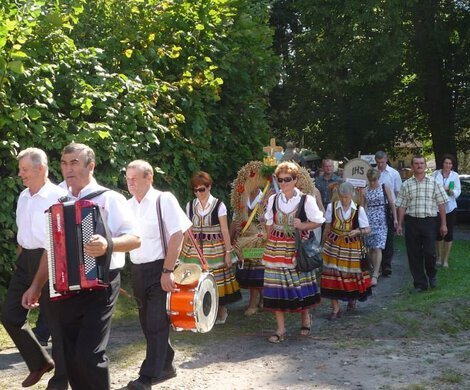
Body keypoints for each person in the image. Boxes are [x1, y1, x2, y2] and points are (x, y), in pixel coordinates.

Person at [22, 143, 141, 390]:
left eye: (74, 163)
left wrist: (108, 244)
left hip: (101, 283)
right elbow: (50, 248)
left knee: (89, 354)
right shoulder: (58, 199)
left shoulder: (110, 198)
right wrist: (36, 286)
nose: (68, 169)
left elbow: (135, 239)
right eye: (64, 163)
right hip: (64, 286)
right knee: (69, 355)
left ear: (91, 166)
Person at [1, 147, 68, 389]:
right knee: (10, 314)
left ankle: (62, 380)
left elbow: (55, 243)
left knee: (56, 322)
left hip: (51, 258)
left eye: (25, 169)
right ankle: (40, 362)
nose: (21, 174)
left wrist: (37, 285)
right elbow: (24, 235)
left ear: (41, 169)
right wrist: (23, 265)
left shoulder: (58, 197)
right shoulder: (23, 196)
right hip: (26, 259)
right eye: (20, 169)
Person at [125, 160, 192, 390]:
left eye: (135, 178)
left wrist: (167, 270)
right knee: (147, 322)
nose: (130, 182)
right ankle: (166, 364)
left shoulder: (164, 199)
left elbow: (177, 235)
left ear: (149, 178)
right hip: (137, 270)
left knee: (155, 322)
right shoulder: (127, 205)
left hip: (159, 268)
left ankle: (147, 376)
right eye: (127, 178)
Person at [262, 162, 324, 343]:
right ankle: (280, 329)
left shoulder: (306, 200)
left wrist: (303, 225)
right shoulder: (274, 199)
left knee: (299, 285)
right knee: (275, 287)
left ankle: (305, 317)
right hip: (275, 249)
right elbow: (268, 222)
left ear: (295, 180)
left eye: (287, 179)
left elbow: (319, 221)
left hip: (296, 248)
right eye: (280, 180)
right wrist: (269, 239)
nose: (283, 183)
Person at [179, 171, 241, 324]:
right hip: (194, 248)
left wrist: (228, 252)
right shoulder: (190, 205)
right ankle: (199, 310)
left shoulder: (219, 205)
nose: (199, 193)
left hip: (215, 248)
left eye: (202, 189)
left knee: (217, 279)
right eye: (196, 190)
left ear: (209, 187)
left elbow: (225, 230)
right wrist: (179, 250)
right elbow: (187, 230)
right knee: (194, 278)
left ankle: (221, 310)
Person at [396, 155, 448, 292]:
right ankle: (420, 284)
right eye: (416, 163)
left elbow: (442, 203)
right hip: (412, 222)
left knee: (430, 252)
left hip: (430, 222)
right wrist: (400, 224)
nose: (419, 166)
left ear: (425, 166)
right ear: (412, 166)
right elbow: (401, 205)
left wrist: (443, 224)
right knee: (414, 254)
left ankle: (432, 274)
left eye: (421, 163)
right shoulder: (406, 184)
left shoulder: (434, 183)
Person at [321, 182, 372, 319]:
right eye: (342, 197)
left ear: (352, 196)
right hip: (333, 245)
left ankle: (351, 299)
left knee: (350, 275)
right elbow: (327, 228)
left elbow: (367, 230)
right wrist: (322, 244)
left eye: (346, 197)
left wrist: (357, 231)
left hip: (351, 247)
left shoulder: (358, 210)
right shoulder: (331, 207)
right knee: (332, 275)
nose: (344, 200)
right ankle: (335, 309)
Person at [232, 187, 265, 316]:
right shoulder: (241, 198)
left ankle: (252, 304)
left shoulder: (266, 198)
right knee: (248, 270)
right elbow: (235, 221)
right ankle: (262, 297)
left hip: (260, 241)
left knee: (256, 271)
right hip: (244, 241)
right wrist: (230, 240)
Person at [363, 168, 397, 287]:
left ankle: (375, 274)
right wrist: (363, 222)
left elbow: (392, 203)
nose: (372, 182)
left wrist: (396, 219)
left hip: (382, 219)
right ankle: (376, 268)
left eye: (374, 180)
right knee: (371, 248)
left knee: (378, 246)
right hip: (369, 219)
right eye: (370, 180)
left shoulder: (384, 187)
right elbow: (364, 206)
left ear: (378, 178)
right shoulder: (365, 190)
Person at [375, 151, 402, 277]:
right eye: (378, 162)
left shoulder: (393, 173)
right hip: (374, 207)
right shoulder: (372, 173)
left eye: (382, 162)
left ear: (386, 160)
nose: (380, 165)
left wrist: (396, 210)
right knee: (375, 237)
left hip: (388, 206)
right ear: (376, 161)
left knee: (388, 237)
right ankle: (377, 264)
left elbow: (398, 192)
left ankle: (386, 264)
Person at [431, 154, 461, 268]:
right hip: (437, 207)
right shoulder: (435, 174)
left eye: (450, 163)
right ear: (442, 164)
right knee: (439, 233)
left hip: (450, 207)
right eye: (446, 163)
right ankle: (438, 257)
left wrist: (451, 190)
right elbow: (432, 188)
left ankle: (445, 259)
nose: (448, 165)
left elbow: (458, 191)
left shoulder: (455, 176)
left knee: (449, 233)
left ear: (452, 165)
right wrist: (441, 189)